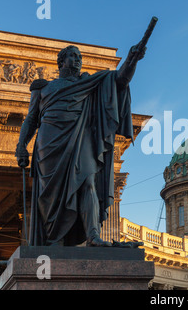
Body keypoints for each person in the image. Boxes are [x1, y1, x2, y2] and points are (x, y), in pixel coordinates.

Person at [15, 43, 146, 247]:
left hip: (80, 137)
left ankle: (93, 235)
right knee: (49, 194)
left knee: (88, 181)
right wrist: (21, 145)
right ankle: (53, 239)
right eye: (73, 56)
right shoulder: (43, 88)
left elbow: (120, 80)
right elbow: (31, 120)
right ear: (61, 61)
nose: (78, 60)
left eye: (80, 57)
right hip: (48, 143)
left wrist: (132, 59)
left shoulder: (90, 84)